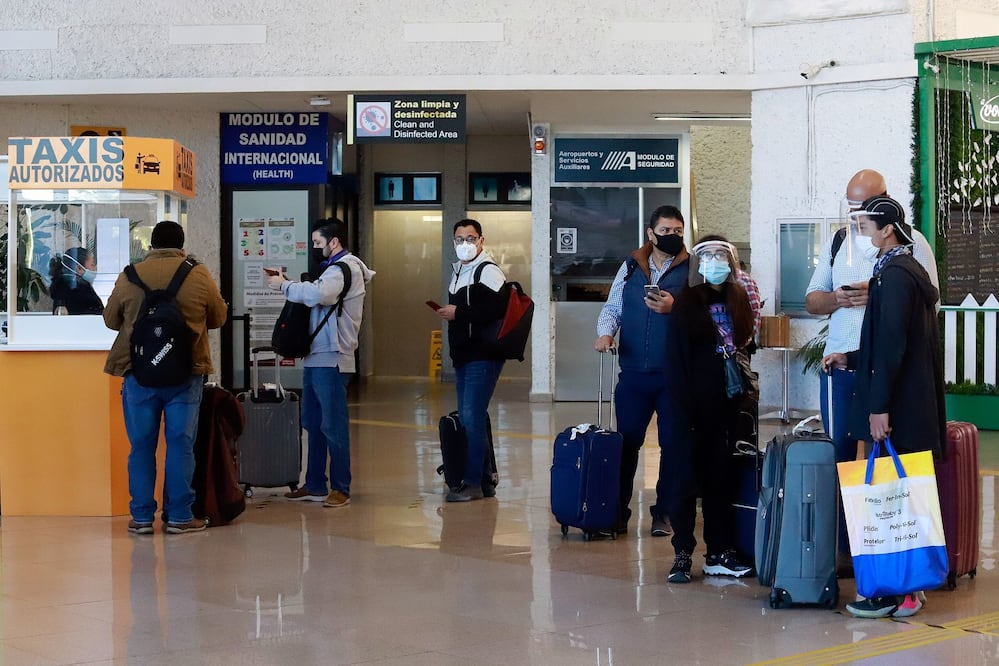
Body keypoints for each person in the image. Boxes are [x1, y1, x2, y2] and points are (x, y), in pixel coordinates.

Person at [805, 169, 939, 570]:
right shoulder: (842, 241)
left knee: (888, 467)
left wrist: (878, 293)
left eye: (862, 211)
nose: (854, 219)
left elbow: (921, 307)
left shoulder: (907, 255)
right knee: (841, 458)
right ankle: (848, 550)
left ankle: (891, 558)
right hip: (850, 365)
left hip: (887, 379)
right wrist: (838, 300)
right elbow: (812, 300)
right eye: (849, 208)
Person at [104, 221, 228, 534]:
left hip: (138, 373)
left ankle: (142, 518)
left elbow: (110, 320)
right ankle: (181, 517)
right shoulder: (197, 273)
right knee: (180, 444)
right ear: (181, 245)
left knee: (142, 446)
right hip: (185, 374)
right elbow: (218, 317)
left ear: (151, 246)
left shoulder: (130, 274)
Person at [662, 239, 755, 583]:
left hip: (725, 405)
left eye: (721, 256)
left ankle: (719, 551)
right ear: (698, 264)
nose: (715, 262)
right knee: (685, 481)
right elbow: (675, 361)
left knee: (720, 482)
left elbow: (744, 345)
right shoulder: (686, 303)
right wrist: (681, 412)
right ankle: (682, 553)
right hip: (689, 407)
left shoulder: (737, 301)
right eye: (708, 256)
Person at [594, 205, 690, 537]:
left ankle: (664, 513)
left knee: (673, 446)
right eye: (666, 231)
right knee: (626, 443)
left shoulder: (692, 270)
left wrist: (675, 308)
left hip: (674, 375)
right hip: (633, 373)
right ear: (651, 234)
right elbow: (613, 306)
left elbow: (705, 314)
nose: (673, 237)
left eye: (678, 231)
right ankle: (616, 512)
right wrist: (605, 332)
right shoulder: (631, 267)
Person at [269, 219, 374, 508]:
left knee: (333, 425)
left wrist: (285, 285)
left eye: (318, 243)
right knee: (313, 423)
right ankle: (315, 482)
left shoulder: (345, 268)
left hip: (333, 357)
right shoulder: (331, 270)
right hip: (316, 355)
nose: (315, 248)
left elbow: (319, 294)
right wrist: (291, 284)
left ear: (334, 242)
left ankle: (341, 487)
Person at [435, 219, 507, 502]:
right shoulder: (459, 271)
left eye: (470, 238)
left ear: (481, 241)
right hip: (465, 354)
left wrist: (459, 313)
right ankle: (485, 479)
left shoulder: (488, 271)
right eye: (459, 239)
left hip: (484, 354)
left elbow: (494, 310)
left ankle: (474, 482)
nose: (464, 244)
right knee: (468, 418)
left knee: (472, 417)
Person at [697, 234, 761, 340]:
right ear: (699, 260)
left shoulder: (742, 281)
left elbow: (753, 319)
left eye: (720, 254)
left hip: (734, 350)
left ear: (729, 258)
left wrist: (739, 344)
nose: (714, 260)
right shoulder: (692, 289)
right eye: (706, 255)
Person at [49, 247, 104, 315]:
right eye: (92, 265)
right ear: (79, 268)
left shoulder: (60, 288)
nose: (96, 268)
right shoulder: (81, 291)